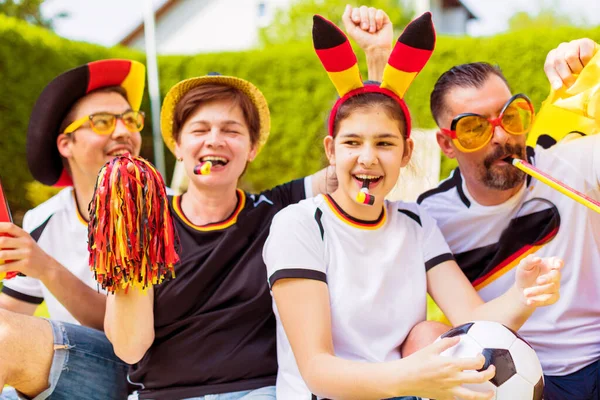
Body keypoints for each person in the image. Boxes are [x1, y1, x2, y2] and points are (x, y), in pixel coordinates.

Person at [262, 13, 562, 400]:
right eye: (352, 142)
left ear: (406, 152)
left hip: (406, 390)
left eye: (385, 143)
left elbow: (472, 317)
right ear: (330, 150)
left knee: (435, 338)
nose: (367, 158)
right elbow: (319, 370)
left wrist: (526, 293)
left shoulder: (415, 222)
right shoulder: (299, 224)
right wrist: (414, 378)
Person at [102, 7, 395, 400]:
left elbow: (362, 165)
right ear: (177, 145)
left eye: (231, 130)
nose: (214, 141)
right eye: (200, 130)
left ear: (253, 147)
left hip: (260, 392)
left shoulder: (280, 210)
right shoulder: (146, 226)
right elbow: (129, 348)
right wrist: (132, 244)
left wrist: (375, 60)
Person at [418, 38, 600, 400]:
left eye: (511, 117)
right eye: (475, 129)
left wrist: (594, 60)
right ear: (447, 144)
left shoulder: (575, 162)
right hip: (522, 378)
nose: (502, 136)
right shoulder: (431, 217)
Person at [0, 59, 145, 398]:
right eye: (103, 122)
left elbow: (130, 336)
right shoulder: (43, 219)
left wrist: (47, 269)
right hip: (76, 366)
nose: (123, 131)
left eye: (130, 119)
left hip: (142, 371)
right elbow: (9, 312)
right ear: (65, 144)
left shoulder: (168, 212)